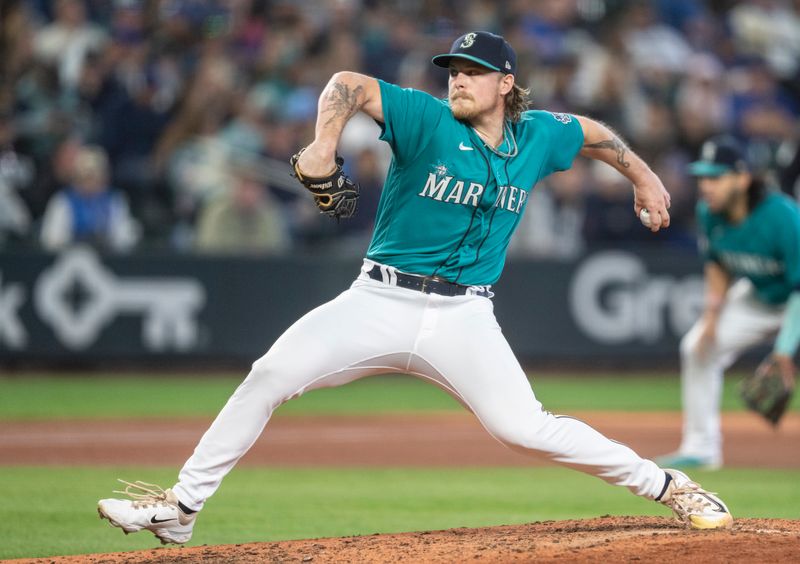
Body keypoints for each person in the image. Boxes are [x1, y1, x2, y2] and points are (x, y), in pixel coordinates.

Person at [97, 31, 732, 545]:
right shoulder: (426, 119)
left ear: (505, 84)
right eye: (452, 68)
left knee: (525, 428)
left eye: (473, 70)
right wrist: (323, 147)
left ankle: (668, 486)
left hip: (465, 317)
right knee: (269, 373)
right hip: (377, 301)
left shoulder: (537, 134)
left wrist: (643, 178)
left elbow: (592, 133)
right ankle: (181, 507)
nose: (457, 78)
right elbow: (347, 84)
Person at [657, 135, 800, 469]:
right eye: (703, 177)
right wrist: (711, 318)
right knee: (697, 348)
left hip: (794, 298)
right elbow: (717, 263)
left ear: (742, 177)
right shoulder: (709, 212)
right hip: (759, 297)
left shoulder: (782, 217)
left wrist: (783, 350)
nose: (706, 185)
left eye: (715, 177)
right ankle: (701, 448)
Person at [39, 144, 140, 252]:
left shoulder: (115, 200)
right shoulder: (63, 200)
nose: (92, 182)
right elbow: (51, 239)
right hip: (71, 258)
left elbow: (126, 237)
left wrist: (105, 242)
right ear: (77, 176)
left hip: (107, 258)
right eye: (87, 176)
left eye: (97, 175)